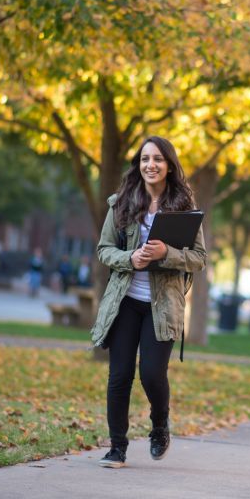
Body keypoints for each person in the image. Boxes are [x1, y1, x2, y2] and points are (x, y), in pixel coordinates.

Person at [92, 136, 206, 469]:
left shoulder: (183, 207)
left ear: (169, 165)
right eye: (144, 159)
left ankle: (160, 425)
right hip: (125, 301)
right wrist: (132, 258)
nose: (150, 165)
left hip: (162, 306)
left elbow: (199, 259)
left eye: (157, 159)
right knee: (119, 376)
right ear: (138, 165)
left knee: (152, 374)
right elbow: (103, 249)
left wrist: (165, 253)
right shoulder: (122, 202)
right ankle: (117, 447)